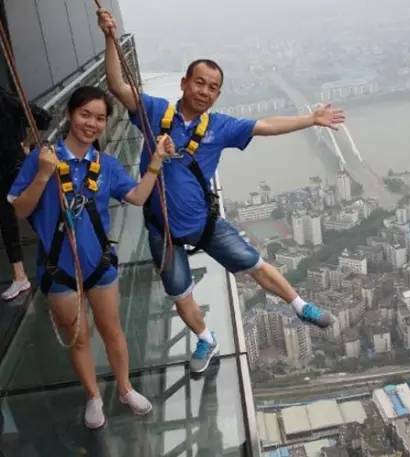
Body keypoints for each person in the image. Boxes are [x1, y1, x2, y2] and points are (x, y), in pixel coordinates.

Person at [98, 10, 346, 374]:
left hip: (204, 223)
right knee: (180, 293)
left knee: (254, 264)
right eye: (200, 83)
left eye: (213, 88)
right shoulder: (154, 112)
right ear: (184, 83)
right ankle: (205, 339)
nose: (205, 92)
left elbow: (266, 126)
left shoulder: (220, 126)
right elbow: (118, 85)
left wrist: (311, 119)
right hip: (162, 228)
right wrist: (109, 37)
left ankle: (299, 305)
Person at [8, 86, 173, 429]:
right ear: (70, 114)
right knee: (78, 336)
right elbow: (20, 210)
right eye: (85, 115)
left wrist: (155, 163)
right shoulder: (43, 157)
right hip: (60, 268)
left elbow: (137, 197)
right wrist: (41, 174)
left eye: (100, 118)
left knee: (112, 330)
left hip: (99, 264)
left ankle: (125, 389)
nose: (92, 123)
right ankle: (94, 396)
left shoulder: (106, 165)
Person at [0, 87, 51, 300]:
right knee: (6, 223)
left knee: (35, 215)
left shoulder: (6, 99)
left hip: (16, 169)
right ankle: (20, 277)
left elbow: (44, 118)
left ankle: (63, 258)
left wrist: (27, 143)